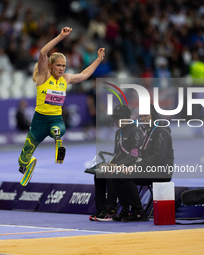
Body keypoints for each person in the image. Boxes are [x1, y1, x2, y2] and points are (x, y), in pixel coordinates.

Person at [18, 27, 105, 180]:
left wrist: (98, 60)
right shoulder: (43, 77)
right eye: (58, 65)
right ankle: (26, 164)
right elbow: (43, 53)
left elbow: (84, 74)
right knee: (25, 153)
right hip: (39, 120)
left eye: (64, 66)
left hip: (55, 119)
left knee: (58, 129)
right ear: (50, 66)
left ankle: (58, 139)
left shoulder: (66, 79)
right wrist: (60, 36)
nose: (61, 68)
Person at [111, 104, 174, 222]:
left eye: (146, 116)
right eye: (141, 116)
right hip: (149, 168)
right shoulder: (148, 131)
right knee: (117, 174)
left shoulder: (161, 132)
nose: (143, 119)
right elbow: (141, 155)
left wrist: (135, 167)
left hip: (161, 171)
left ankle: (139, 212)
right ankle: (126, 210)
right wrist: (125, 165)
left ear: (153, 116)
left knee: (126, 176)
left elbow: (157, 158)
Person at [89, 104, 143, 221]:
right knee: (99, 173)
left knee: (111, 172)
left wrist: (116, 165)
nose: (118, 121)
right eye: (116, 118)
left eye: (121, 118)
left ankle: (111, 210)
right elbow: (116, 153)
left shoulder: (136, 131)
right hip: (119, 164)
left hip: (132, 165)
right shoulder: (118, 133)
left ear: (128, 117)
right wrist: (106, 162)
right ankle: (101, 209)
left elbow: (134, 155)